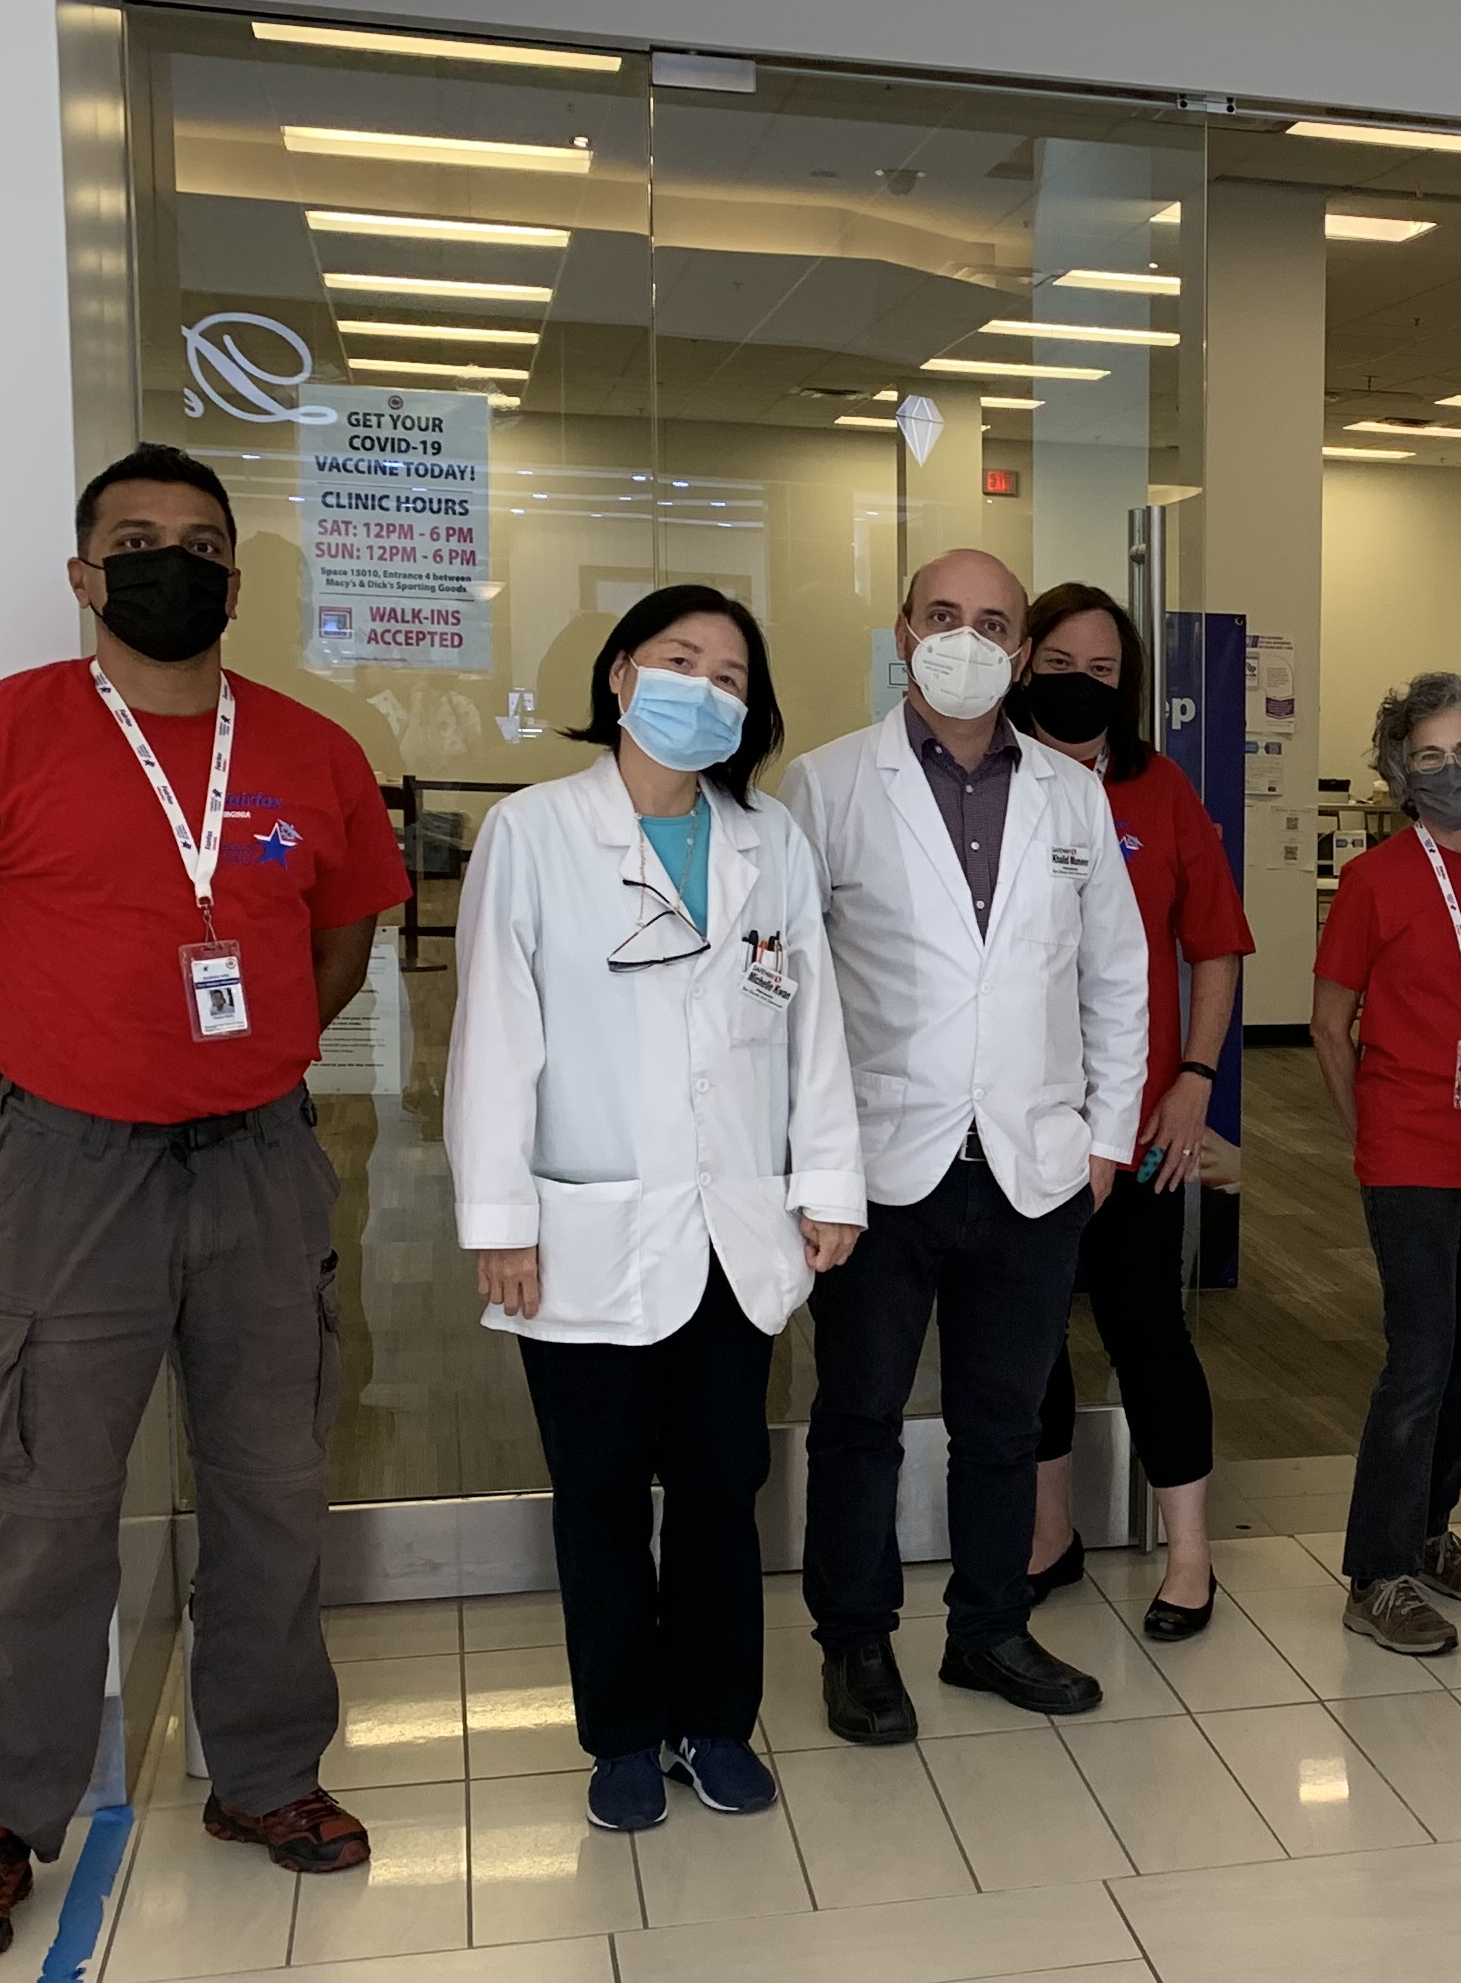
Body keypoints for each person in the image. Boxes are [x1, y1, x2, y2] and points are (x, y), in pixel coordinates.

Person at [0, 441, 409, 1966]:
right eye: (138, 538)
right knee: (42, 1505)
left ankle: (268, 1774)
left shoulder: (309, 752)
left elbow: (345, 938)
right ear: (85, 575)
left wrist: (239, 1060)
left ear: (238, 577)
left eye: (203, 541)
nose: (174, 561)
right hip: (71, 1175)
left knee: (272, 1484)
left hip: (258, 1163)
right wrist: (29, 1103)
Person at [446, 585, 862, 1832]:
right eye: (682, 660)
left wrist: (828, 1181)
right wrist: (500, 1220)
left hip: (737, 1230)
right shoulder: (533, 833)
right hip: (588, 1229)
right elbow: (494, 1040)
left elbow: (814, 1027)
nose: (706, 688)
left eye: (732, 675)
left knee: (726, 1487)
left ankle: (716, 1723)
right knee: (602, 1496)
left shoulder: (768, 839)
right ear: (621, 676)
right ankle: (623, 1734)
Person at [780, 548, 1146, 1745]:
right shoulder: (828, 786)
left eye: (993, 622)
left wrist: (1106, 1136)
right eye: (943, 615)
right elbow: (790, 992)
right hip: (881, 1162)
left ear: (1021, 647)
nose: (965, 639)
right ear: (901, 633)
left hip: (1036, 1166)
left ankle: (989, 1627)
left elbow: (1117, 977)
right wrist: (810, 1157)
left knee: (1004, 1422)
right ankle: (855, 1643)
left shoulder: (1070, 792)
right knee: (861, 1420)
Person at [1008, 581, 1251, 1640]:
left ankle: (1189, 1558)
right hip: (1013, 1127)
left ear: (1129, 682)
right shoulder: (986, 784)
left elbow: (1216, 945)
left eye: (1102, 669)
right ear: (1024, 665)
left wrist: (1196, 1081)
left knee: (1148, 1331)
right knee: (1029, 1346)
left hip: (1143, 1123)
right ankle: (1049, 1536)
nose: (1079, 684)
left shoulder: (1159, 794)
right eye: (1058, 662)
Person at [1313, 673, 1461, 1653]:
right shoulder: (1375, 882)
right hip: (1407, 1148)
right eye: (1430, 756)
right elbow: (1328, 1023)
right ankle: (1378, 1570)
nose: (1451, 770)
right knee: (1419, 1362)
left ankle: (1430, 1529)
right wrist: (1366, 1126)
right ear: (1400, 773)